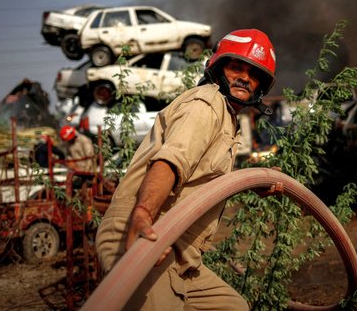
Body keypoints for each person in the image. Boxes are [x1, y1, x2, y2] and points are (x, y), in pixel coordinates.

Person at [96, 29, 277, 310]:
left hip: (179, 249)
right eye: (236, 67)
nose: (245, 77)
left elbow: (204, 177)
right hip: (147, 229)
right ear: (217, 69)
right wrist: (143, 214)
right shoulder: (206, 104)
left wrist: (255, 181)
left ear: (261, 86)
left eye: (254, 73)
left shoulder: (227, 118)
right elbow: (170, 161)